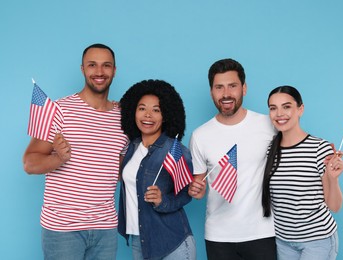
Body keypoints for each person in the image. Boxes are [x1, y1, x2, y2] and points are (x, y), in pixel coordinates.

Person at [23, 43, 129, 260]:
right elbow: (29, 163)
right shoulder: (59, 111)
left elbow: (118, 172)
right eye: (92, 65)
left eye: (106, 66)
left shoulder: (123, 118)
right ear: (82, 69)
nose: (99, 72)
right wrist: (59, 159)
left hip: (105, 228)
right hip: (63, 230)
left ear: (114, 70)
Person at [188, 58, 277, 259]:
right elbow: (199, 187)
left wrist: (322, 149)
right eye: (219, 87)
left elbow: (295, 142)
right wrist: (196, 190)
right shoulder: (200, 135)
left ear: (244, 88)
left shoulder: (268, 125)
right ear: (211, 91)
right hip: (219, 236)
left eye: (232, 86)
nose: (226, 94)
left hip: (262, 232)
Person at [262, 85, 343, 260]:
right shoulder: (271, 150)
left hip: (318, 240)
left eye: (286, 106)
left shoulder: (319, 148)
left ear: (300, 109)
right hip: (284, 241)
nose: (279, 114)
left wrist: (332, 178)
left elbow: (335, 206)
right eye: (273, 108)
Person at [118, 79, 196, 260]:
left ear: (166, 115)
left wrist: (163, 201)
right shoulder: (131, 147)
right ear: (133, 111)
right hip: (140, 240)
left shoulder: (175, 150)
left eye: (156, 110)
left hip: (172, 242)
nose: (148, 115)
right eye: (142, 108)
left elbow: (187, 192)